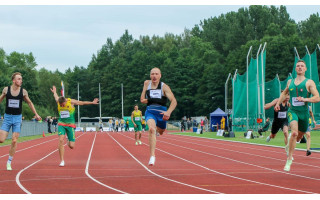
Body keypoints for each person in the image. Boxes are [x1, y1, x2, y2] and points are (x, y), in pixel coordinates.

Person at [275, 60, 319, 171]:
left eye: (302, 66)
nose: (299, 67)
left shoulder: (309, 83)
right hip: (292, 111)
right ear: (295, 69)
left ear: (305, 69)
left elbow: (317, 97)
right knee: (294, 133)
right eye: (298, 66)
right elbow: (285, 93)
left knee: (299, 136)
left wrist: (305, 99)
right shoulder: (290, 82)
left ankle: (290, 142)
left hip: (304, 114)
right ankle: (289, 159)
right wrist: (277, 103)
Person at [0, 72, 42, 170]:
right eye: (19, 79)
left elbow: (30, 103)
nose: (21, 80)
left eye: (21, 79)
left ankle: (9, 162)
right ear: (14, 80)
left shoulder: (23, 92)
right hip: (7, 117)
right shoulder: (6, 90)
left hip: (17, 118)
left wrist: (36, 114)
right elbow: (1, 99)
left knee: (14, 140)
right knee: (1, 140)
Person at [50, 85, 99, 167]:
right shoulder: (58, 101)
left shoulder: (71, 102)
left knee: (72, 146)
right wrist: (54, 92)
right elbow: (56, 96)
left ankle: (68, 140)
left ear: (65, 101)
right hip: (61, 124)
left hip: (70, 125)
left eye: (62, 105)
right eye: (60, 105)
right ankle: (62, 160)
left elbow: (82, 103)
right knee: (60, 140)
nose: (61, 106)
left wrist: (92, 102)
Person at [140, 67, 177, 166]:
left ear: (160, 75)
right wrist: (144, 86)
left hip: (162, 114)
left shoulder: (164, 87)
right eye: (152, 74)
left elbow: (174, 101)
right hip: (150, 112)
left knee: (161, 131)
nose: (154, 76)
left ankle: (158, 130)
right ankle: (152, 156)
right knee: (151, 129)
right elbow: (142, 99)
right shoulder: (147, 84)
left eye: (156, 74)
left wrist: (168, 112)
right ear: (150, 75)